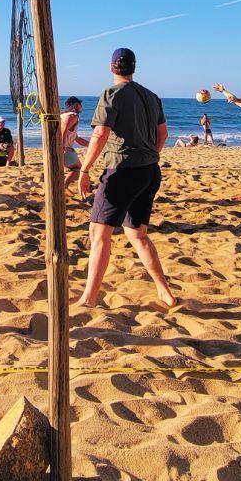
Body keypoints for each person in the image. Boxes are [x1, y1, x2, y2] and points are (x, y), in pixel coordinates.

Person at [77, 47, 176, 311]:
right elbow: (163, 134)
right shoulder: (152, 96)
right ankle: (165, 292)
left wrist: (85, 170)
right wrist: (149, 155)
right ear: (134, 68)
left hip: (122, 170)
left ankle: (88, 299)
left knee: (99, 233)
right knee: (137, 234)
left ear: (111, 67)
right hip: (150, 171)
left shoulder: (112, 94)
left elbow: (100, 135)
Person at [61, 96, 89, 179]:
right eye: (81, 104)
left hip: (62, 148)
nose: (82, 107)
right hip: (65, 149)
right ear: (76, 105)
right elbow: (63, 131)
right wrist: (62, 147)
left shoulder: (63, 115)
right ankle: (65, 186)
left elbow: (77, 138)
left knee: (77, 169)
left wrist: (91, 145)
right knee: (78, 170)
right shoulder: (73, 116)